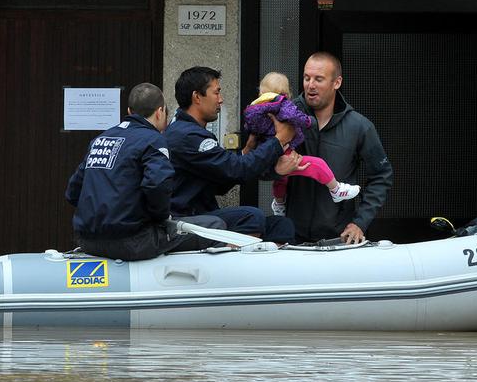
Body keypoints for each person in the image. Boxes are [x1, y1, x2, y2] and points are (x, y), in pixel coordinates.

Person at [65, 82, 225, 260]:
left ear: (129, 111)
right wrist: (161, 217)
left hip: (88, 241)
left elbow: (73, 192)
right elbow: (157, 184)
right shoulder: (153, 140)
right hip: (133, 242)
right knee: (215, 226)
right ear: (159, 112)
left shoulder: (100, 140)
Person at [164, 66, 301, 243]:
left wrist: (248, 149)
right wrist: (279, 140)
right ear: (197, 97)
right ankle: (230, 265)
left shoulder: (191, 131)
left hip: (204, 216)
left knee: (282, 226)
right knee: (252, 217)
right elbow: (237, 170)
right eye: (216, 93)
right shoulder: (187, 136)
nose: (221, 100)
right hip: (186, 220)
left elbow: (221, 183)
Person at [284, 53, 393, 244]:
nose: (310, 85)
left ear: (337, 82)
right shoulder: (287, 117)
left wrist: (360, 222)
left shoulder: (359, 126)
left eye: (319, 79)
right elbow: (261, 164)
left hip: (338, 238)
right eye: (306, 78)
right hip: (290, 236)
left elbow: (381, 176)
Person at [243, 71, 360, 216]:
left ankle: (279, 204)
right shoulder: (281, 103)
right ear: (285, 92)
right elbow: (293, 116)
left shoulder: (253, 109)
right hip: (282, 151)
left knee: (281, 179)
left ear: (261, 90)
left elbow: (249, 128)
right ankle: (336, 189)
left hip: (265, 152)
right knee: (316, 164)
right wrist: (309, 121)